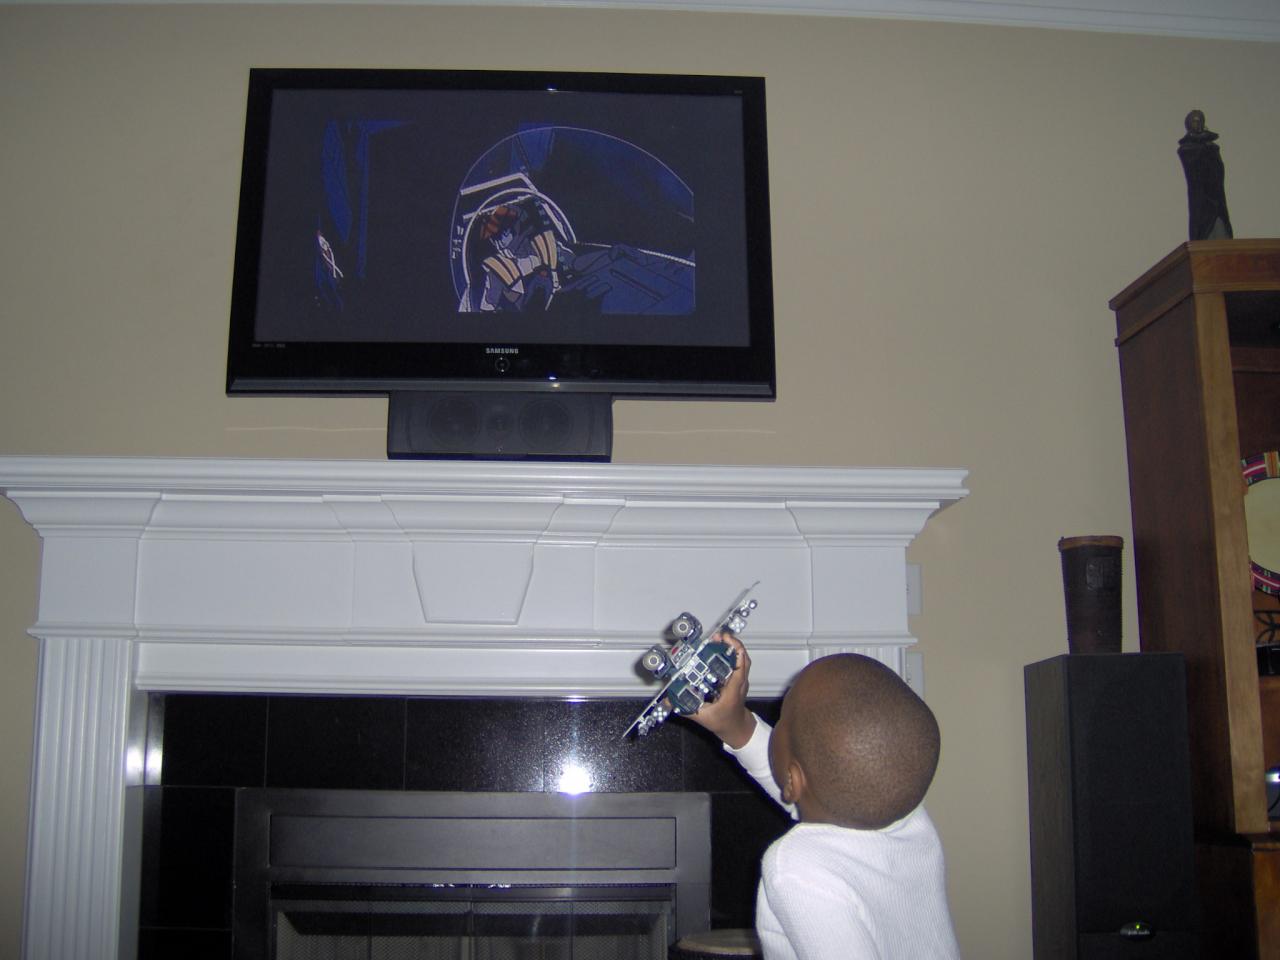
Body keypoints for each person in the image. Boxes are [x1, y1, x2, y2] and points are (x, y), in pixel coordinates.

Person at [688, 634, 961, 960]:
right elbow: (816, 791)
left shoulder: (799, 868)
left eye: (783, 718)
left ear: (793, 779)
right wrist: (737, 725)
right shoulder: (910, 825)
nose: (779, 719)